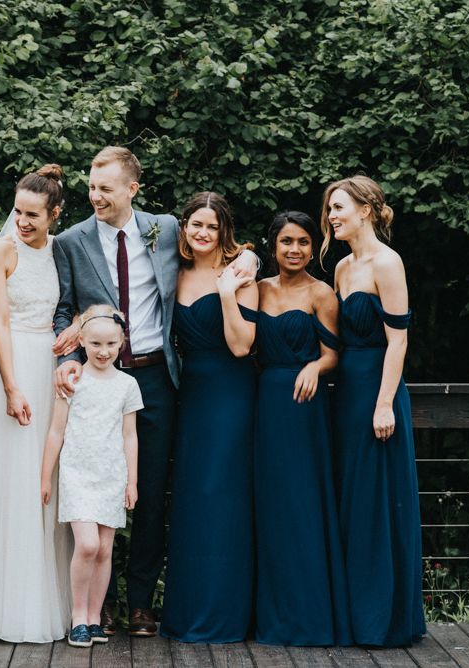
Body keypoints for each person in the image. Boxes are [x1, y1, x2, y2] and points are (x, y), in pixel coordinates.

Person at [53, 147, 258, 636]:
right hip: (98, 381)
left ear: (132, 189)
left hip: (156, 379)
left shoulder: (165, 229)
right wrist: (67, 358)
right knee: (96, 488)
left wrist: (251, 256)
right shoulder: (71, 240)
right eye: (91, 186)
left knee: (148, 491)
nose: (95, 196)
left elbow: (219, 246)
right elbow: (63, 310)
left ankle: (141, 602)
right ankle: (100, 605)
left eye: (105, 188)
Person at [0, 165, 73, 643]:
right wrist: (11, 387)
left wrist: (76, 329)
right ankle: (4, 608)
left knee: (44, 482)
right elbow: (0, 321)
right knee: (10, 479)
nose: (23, 222)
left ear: (55, 214)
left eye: (34, 215)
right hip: (10, 366)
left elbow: (74, 306)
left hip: (49, 367)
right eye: (18, 212)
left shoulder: (61, 250)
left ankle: (48, 602)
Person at [320, 175, 426, 646]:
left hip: (378, 393)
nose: (331, 216)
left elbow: (398, 341)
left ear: (365, 210)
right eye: (330, 209)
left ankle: (381, 619)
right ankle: (353, 613)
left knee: (377, 500)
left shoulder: (388, 262)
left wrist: (384, 404)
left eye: (339, 207)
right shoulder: (343, 268)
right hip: (345, 393)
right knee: (351, 500)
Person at [158, 192, 257, 643]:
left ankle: (227, 613)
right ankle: (188, 611)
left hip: (231, 393)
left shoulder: (240, 274)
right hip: (191, 395)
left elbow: (241, 345)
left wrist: (226, 292)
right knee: (194, 498)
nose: (203, 232)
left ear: (223, 232)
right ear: (184, 228)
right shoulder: (173, 274)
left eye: (212, 226)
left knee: (225, 495)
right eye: (196, 224)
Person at [251, 211, 351, 646]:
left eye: (304, 242)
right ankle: (270, 616)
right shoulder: (257, 289)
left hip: (304, 406)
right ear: (273, 246)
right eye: (287, 241)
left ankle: (309, 617)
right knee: (269, 505)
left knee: (302, 504)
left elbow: (334, 354)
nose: (295, 249)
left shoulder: (321, 293)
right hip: (264, 405)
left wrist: (314, 366)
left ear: (313, 248)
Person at [41, 305, 143, 647]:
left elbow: (130, 436)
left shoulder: (127, 385)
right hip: (78, 474)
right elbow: (56, 431)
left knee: (104, 550)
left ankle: (95, 619)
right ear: (81, 341)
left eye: (111, 344)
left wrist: (132, 481)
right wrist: (45, 476)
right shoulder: (73, 381)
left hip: (111, 475)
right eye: (96, 344)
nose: (103, 351)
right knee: (87, 544)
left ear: (122, 343)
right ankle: (78, 618)